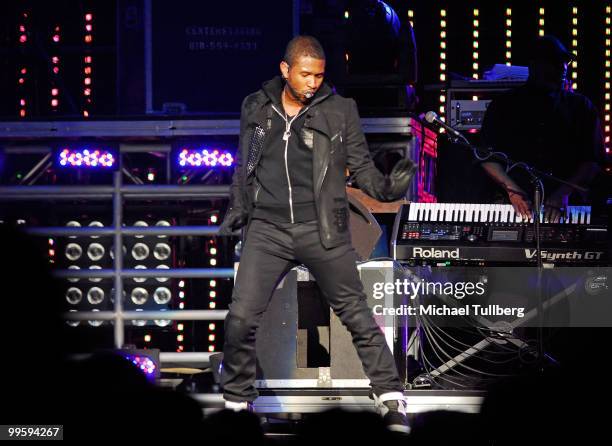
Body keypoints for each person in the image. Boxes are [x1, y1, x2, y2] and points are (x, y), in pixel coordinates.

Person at [218, 35, 415, 432]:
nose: (312, 82)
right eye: (305, 74)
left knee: (357, 314)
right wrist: (237, 211)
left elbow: (361, 167)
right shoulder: (257, 107)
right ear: (285, 70)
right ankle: (238, 399)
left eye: (319, 75)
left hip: (321, 227)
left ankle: (390, 395)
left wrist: (388, 190)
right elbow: (246, 164)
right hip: (268, 229)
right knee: (240, 317)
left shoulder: (339, 110)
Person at [481, 35, 602, 222]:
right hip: (514, 204)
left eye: (564, 63)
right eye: (555, 62)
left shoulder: (581, 107)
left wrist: (563, 192)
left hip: (566, 206)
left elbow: (592, 161)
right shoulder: (504, 104)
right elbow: (486, 157)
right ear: (535, 65)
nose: (563, 68)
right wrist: (512, 190)